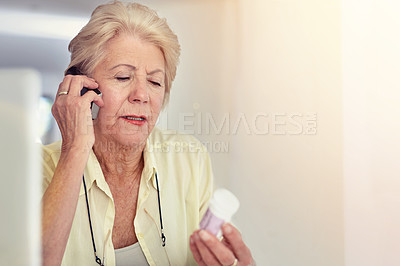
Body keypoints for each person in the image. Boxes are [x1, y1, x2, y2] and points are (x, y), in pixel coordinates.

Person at [41, 1, 255, 265]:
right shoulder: (34, 169)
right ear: (83, 88)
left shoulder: (188, 158)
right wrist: (74, 149)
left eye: (155, 82)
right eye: (122, 77)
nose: (142, 95)